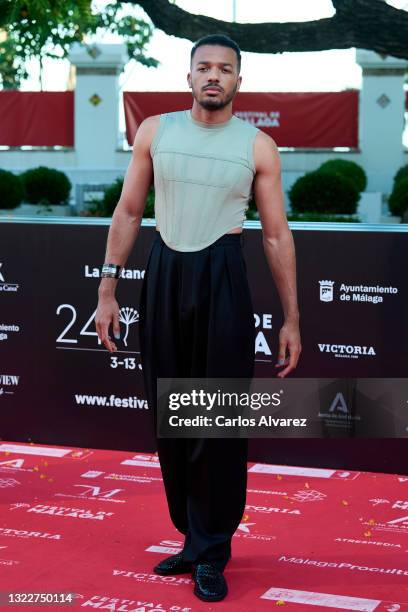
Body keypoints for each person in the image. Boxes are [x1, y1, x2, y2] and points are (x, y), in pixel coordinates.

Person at [95, 34, 301, 603]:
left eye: (225, 69)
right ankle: (193, 537)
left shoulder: (259, 146)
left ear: (239, 81)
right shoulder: (155, 131)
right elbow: (130, 210)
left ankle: (212, 552)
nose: (214, 76)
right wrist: (107, 289)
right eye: (204, 67)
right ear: (188, 77)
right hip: (163, 273)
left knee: (217, 423)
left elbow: (277, 233)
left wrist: (291, 318)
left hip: (224, 277)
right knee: (171, 416)